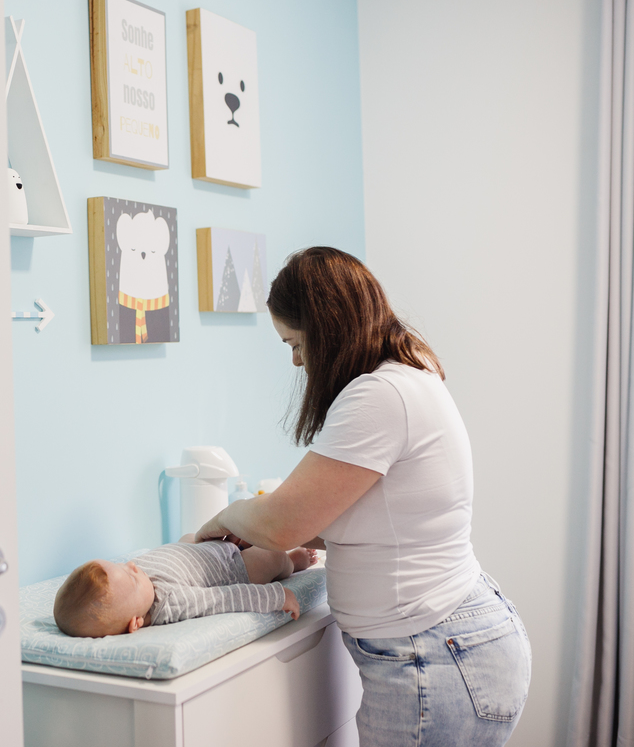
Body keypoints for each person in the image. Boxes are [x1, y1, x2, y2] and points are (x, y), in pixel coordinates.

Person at [194, 247, 531, 747]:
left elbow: (283, 524)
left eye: (294, 341)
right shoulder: (403, 378)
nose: (294, 359)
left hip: (435, 652)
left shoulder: (379, 396)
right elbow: (365, 519)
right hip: (445, 642)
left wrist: (225, 515)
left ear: (324, 329)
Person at [52, 537, 316, 638]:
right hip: (234, 569)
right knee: (269, 556)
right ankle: (293, 561)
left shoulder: (135, 577)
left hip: (201, 550)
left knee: (189, 536)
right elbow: (222, 598)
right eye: (130, 577)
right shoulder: (170, 602)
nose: (132, 565)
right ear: (135, 623)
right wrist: (276, 595)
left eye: (120, 565)